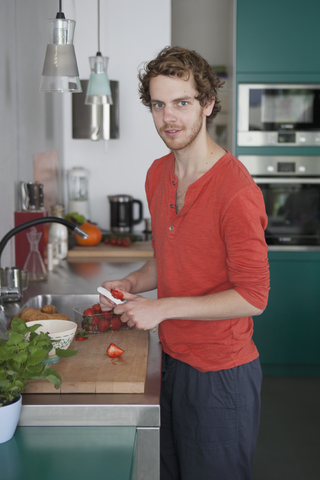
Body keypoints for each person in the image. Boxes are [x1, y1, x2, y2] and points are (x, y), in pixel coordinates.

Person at [100, 46, 270, 480]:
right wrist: (135, 282)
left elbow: (254, 297)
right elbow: (169, 256)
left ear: (207, 105)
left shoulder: (236, 190)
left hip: (221, 374)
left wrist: (163, 307)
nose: (169, 117)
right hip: (172, 361)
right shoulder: (158, 173)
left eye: (182, 102)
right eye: (159, 104)